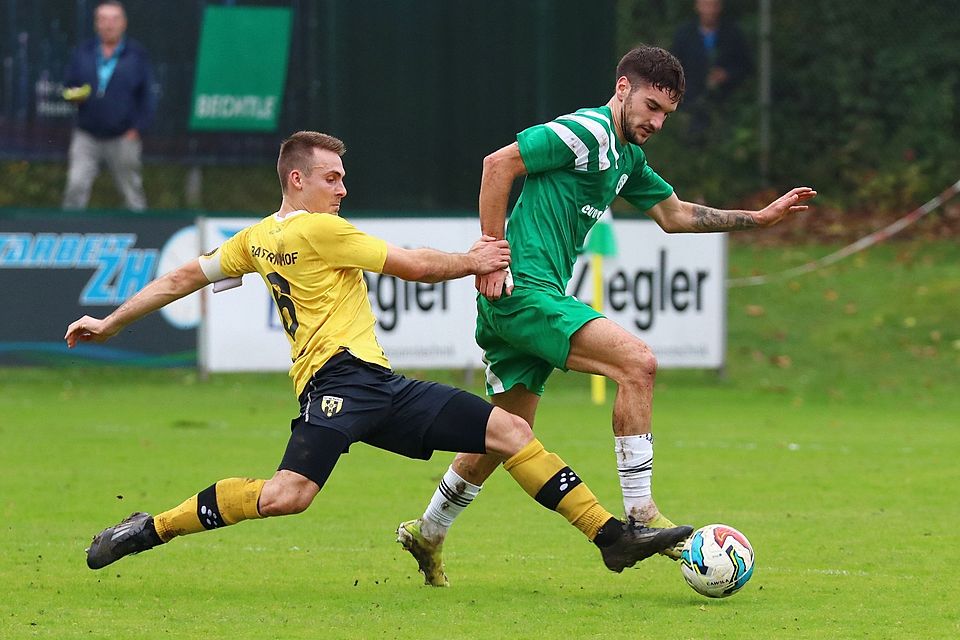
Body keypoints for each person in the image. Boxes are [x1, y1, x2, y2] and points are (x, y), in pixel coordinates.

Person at [65, 131, 692, 583]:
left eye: (343, 175)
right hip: (334, 386)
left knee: (509, 430)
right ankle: (152, 528)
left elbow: (182, 278)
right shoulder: (318, 229)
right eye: (332, 176)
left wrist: (113, 321)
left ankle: (610, 537)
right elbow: (413, 265)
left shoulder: (255, 239)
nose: (343, 186)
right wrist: (475, 260)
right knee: (288, 496)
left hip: (378, 385)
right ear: (297, 179)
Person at [397, 45, 815, 586]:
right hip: (522, 292)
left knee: (504, 434)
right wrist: (490, 253)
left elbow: (675, 214)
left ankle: (427, 532)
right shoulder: (588, 132)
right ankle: (640, 514)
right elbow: (499, 164)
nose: (657, 121)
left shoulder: (626, 158)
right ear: (623, 88)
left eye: (666, 113)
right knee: (637, 363)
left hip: (525, 301)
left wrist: (758, 219)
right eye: (650, 105)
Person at [61, 0, 154, 211]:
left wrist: (137, 129)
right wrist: (73, 95)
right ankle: (69, 232)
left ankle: (143, 236)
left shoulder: (137, 55)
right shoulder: (83, 52)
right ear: (96, 24)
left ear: (123, 23)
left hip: (123, 136)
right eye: (103, 19)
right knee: (75, 186)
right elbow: (69, 85)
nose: (108, 24)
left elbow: (148, 95)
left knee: (132, 192)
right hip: (86, 135)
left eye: (114, 19)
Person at [670, 0, 752, 145]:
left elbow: (745, 66)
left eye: (713, 5)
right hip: (691, 103)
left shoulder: (733, 35)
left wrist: (727, 74)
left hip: (725, 104)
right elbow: (673, 68)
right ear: (697, 6)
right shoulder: (684, 35)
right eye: (706, 5)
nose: (710, 10)